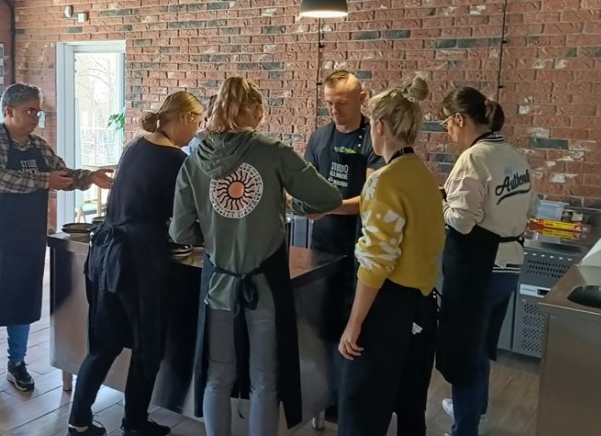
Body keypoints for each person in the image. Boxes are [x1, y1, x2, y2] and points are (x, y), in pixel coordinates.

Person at [170, 76, 343, 436]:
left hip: (218, 284)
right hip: (265, 285)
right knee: (265, 379)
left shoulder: (194, 158)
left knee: (217, 376)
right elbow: (328, 197)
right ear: (254, 110)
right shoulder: (273, 151)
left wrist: (214, 232)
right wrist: (292, 205)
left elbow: (180, 232)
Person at [68, 91, 204, 436]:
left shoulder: (136, 146)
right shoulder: (176, 160)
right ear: (185, 118)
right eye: (198, 122)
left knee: (104, 345)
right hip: (140, 261)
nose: (196, 131)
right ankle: (135, 422)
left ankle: (78, 422)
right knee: (148, 346)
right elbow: (183, 219)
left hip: (107, 254)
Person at [0, 83, 113, 394]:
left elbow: (62, 173)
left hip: (26, 238)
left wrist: (88, 177)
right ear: (9, 111)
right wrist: (45, 180)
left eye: (38, 112)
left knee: (22, 299)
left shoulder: (39, 146)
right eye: (30, 110)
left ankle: (17, 363)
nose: (35, 117)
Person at [337, 76, 444, 436]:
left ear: (379, 126)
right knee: (411, 409)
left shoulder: (383, 181)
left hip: (388, 310)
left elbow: (376, 263)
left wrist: (354, 322)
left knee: (362, 410)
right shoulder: (425, 177)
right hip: (423, 308)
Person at [436, 87, 536, 436]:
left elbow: (462, 221)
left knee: (463, 352)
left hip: (478, 270)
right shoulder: (515, 156)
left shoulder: (473, 159)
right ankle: (474, 407)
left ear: (459, 119)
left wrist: (439, 202)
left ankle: (465, 428)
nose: (448, 132)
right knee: (481, 346)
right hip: (509, 266)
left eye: (447, 123)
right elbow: (531, 208)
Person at [302, 70, 383, 420]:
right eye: (329, 103)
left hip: (360, 248)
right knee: (324, 324)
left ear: (361, 99)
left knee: (356, 328)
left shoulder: (373, 139)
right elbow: (306, 184)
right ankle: (325, 397)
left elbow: (371, 197)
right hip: (323, 247)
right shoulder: (319, 137)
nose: (334, 110)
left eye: (342, 103)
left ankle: (351, 401)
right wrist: (305, 203)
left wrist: (328, 206)